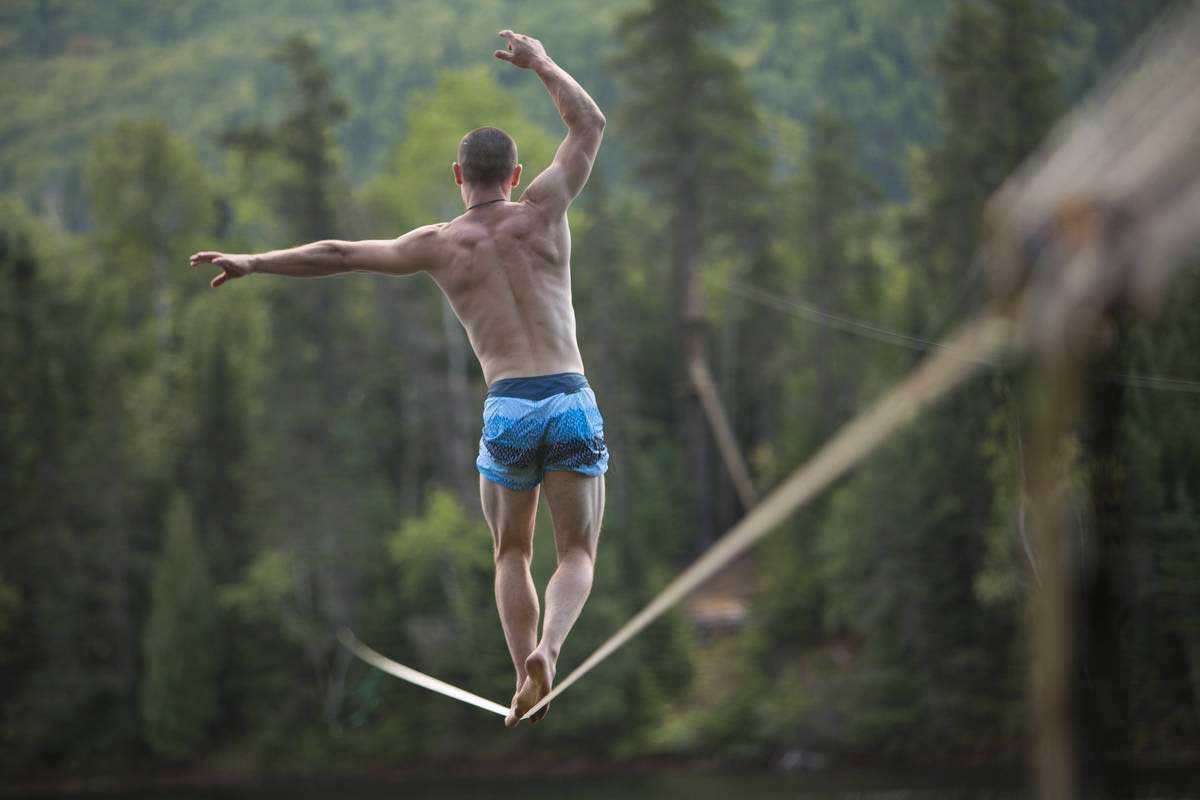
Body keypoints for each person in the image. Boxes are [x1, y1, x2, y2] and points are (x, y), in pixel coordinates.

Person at [190, 30, 607, 728]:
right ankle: (551, 653)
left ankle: (519, 672)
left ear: (457, 176)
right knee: (576, 553)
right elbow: (589, 122)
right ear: (515, 172)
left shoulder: (439, 244)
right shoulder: (543, 208)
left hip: (508, 409)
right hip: (568, 396)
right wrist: (539, 63)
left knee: (511, 552)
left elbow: (339, 253)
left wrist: (255, 261)